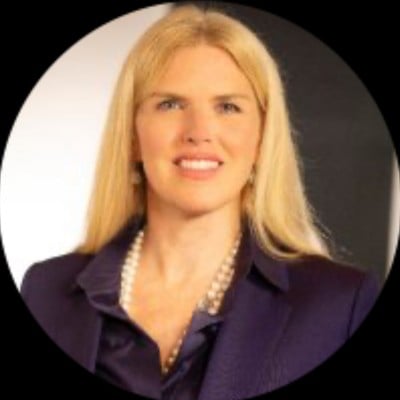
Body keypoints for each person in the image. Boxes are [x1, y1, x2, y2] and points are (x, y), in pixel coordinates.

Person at [19, 4, 381, 400]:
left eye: (227, 107)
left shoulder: (339, 305)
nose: (199, 131)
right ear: (133, 135)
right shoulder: (45, 291)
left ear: (262, 138)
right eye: (171, 104)